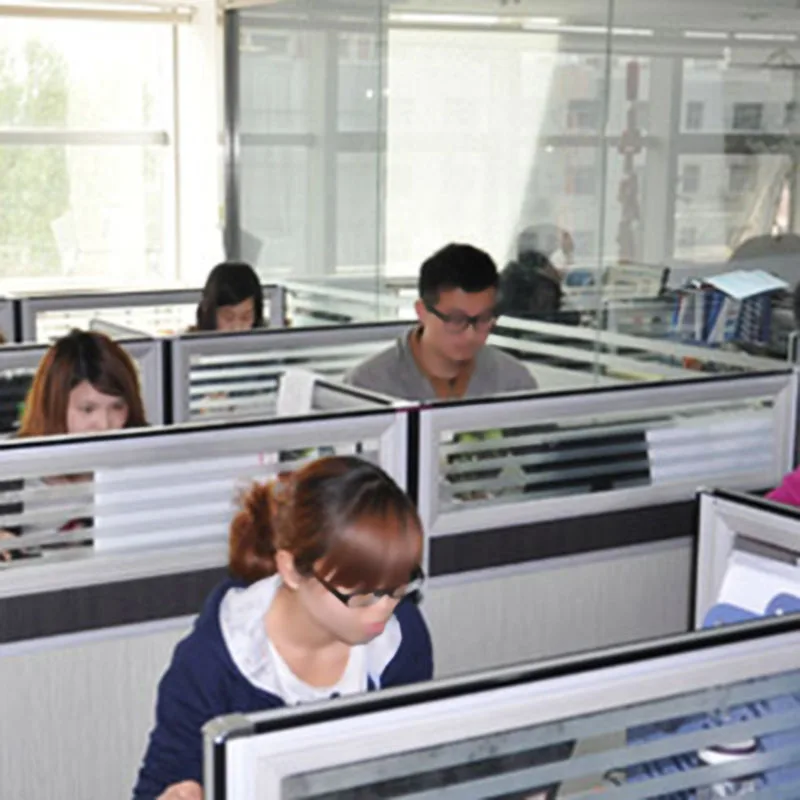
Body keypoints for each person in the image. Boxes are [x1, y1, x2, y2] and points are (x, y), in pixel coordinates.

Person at [133, 455, 432, 799]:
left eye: (398, 586)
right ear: (290, 569)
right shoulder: (210, 665)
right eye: (361, 594)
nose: (384, 608)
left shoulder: (400, 637)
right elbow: (157, 785)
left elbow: (410, 770)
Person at [0, 330, 148, 560]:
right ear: (55, 407)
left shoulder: (146, 470)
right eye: (88, 409)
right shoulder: (11, 471)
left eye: (117, 407)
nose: (104, 424)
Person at [345, 243, 537, 401]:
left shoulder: (513, 382)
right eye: (456, 320)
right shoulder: (367, 386)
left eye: (483, 319)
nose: (470, 335)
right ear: (422, 312)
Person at [193, 261, 265, 332]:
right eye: (228, 318)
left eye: (245, 318)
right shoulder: (190, 339)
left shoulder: (267, 338)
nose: (237, 328)